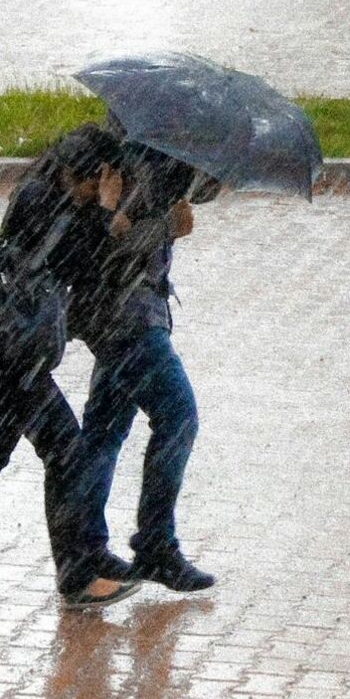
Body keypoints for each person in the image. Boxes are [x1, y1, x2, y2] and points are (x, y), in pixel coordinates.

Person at [0, 125, 157, 608]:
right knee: (65, 452)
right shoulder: (50, 205)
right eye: (103, 178)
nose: (106, 187)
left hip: (2, 343)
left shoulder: (45, 192)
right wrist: (109, 214)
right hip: (14, 353)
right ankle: (75, 577)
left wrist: (104, 213)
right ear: (85, 174)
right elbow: (87, 264)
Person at [68, 141, 220, 593]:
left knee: (104, 430)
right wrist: (166, 227)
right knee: (178, 416)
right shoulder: (135, 158)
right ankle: (154, 544)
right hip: (127, 318)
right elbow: (111, 248)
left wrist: (204, 178)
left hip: (124, 314)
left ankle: (85, 548)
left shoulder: (163, 152)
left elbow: (202, 191)